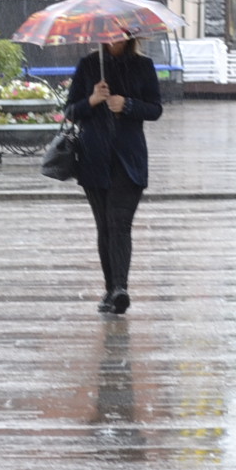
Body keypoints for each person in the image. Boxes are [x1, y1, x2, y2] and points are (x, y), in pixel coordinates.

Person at [62, 33, 163, 314]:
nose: (114, 38)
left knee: (119, 223)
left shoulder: (143, 66)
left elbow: (155, 109)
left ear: (130, 34)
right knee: (105, 226)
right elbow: (70, 111)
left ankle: (120, 288)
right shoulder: (89, 65)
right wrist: (93, 100)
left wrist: (127, 105)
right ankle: (110, 290)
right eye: (109, 34)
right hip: (94, 158)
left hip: (129, 159)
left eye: (120, 32)